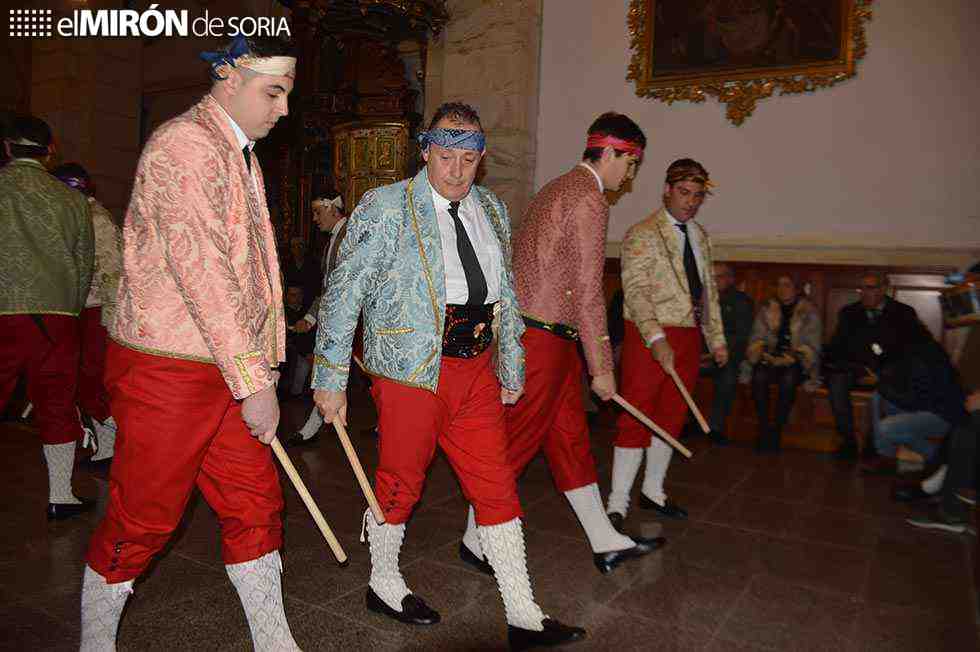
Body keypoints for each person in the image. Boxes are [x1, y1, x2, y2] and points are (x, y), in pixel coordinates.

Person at [312, 102, 585, 649]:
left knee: (497, 483)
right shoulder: (387, 206)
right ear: (425, 153)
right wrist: (329, 376)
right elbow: (344, 292)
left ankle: (523, 612)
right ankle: (383, 581)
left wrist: (511, 364)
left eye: (468, 157)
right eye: (446, 156)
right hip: (411, 371)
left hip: (475, 370)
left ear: (480, 159)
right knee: (399, 483)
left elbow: (504, 294)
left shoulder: (493, 209)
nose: (457, 169)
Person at [80, 36, 301, 651]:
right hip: (169, 366)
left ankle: (274, 641)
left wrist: (256, 367)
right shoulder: (185, 144)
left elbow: (250, 270)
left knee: (255, 503)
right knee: (143, 517)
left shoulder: (237, 150)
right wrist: (255, 380)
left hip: (227, 363)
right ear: (228, 79)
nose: (283, 110)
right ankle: (93, 643)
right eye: (274, 93)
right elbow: (202, 270)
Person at [458, 112, 664, 576]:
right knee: (517, 442)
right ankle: (476, 538)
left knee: (569, 440)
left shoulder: (557, 186)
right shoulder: (589, 197)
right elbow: (589, 288)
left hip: (545, 335)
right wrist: (603, 365)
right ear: (610, 152)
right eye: (630, 164)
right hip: (543, 337)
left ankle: (604, 538)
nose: (629, 176)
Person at [606, 158, 728, 525]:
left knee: (672, 416)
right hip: (648, 334)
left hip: (689, 334)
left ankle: (653, 492)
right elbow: (636, 291)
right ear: (667, 190)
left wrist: (716, 338)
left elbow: (708, 294)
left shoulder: (701, 236)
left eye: (698, 196)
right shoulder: (642, 233)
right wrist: (655, 337)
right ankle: (617, 502)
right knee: (637, 415)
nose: (691, 202)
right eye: (684, 193)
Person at [0, 114, 94, 520]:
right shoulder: (72, 199)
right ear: (49, 150)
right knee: (57, 402)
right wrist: (69, 308)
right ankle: (61, 494)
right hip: (57, 314)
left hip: (4, 308)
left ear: (7, 147)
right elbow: (84, 261)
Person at [52, 162, 123, 468]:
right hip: (81, 309)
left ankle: (119, 439)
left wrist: (111, 319)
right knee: (85, 383)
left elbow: (113, 271)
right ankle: (106, 450)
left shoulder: (96, 219)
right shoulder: (78, 216)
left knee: (90, 381)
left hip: (97, 311)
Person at [824, 272, 920, 459]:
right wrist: (857, 367)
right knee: (836, 381)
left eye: (871, 288)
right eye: (862, 288)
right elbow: (836, 348)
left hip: (889, 371)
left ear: (884, 289)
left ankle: (875, 444)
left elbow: (910, 351)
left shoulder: (904, 313)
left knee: (888, 388)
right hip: (856, 369)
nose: (864, 293)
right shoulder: (849, 312)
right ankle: (848, 440)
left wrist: (883, 371)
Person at [860, 321, 965, 475]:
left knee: (886, 428)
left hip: (944, 415)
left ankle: (937, 458)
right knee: (879, 397)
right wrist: (882, 380)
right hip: (929, 406)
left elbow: (912, 401)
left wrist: (880, 383)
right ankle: (884, 456)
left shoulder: (924, 357)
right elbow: (902, 383)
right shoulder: (916, 349)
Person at [284, 193, 347, 447]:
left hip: (349, 320)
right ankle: (313, 425)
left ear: (333, 209)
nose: (314, 218)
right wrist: (311, 317)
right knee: (327, 373)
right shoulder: (333, 239)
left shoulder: (347, 236)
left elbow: (340, 287)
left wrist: (311, 317)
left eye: (318, 212)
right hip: (336, 316)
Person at [744, 274, 821, 452]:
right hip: (770, 358)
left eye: (786, 285)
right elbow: (757, 337)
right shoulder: (767, 309)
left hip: (798, 360)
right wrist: (764, 352)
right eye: (779, 285)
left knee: (789, 379)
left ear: (796, 288)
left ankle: (777, 428)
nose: (782, 289)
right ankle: (763, 426)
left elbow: (812, 343)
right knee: (759, 376)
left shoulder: (809, 311)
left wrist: (793, 356)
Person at [702, 262, 753, 444]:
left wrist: (715, 352)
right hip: (702, 355)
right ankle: (688, 422)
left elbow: (740, 336)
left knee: (727, 376)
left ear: (730, 279)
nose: (714, 281)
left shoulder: (741, 301)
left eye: (720, 277)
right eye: (712, 277)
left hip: (728, 356)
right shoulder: (703, 299)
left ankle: (715, 427)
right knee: (683, 370)